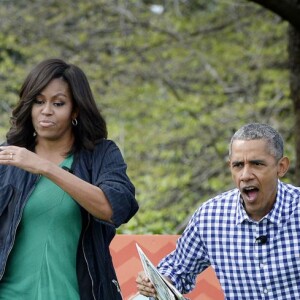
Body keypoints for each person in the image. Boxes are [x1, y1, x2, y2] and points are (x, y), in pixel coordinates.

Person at [0, 58, 138, 300]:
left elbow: (113, 208)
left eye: (58, 103)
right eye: (38, 102)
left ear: (75, 109)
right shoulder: (9, 156)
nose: (46, 111)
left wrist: (46, 167)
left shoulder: (101, 155)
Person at [136, 123, 300, 299]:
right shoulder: (210, 217)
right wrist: (153, 282)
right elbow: (177, 269)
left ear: (281, 167)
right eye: (238, 165)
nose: (245, 175)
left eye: (257, 164)